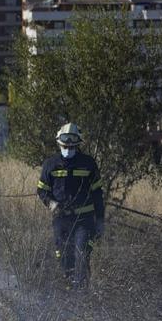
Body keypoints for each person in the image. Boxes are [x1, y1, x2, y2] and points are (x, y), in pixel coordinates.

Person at [38, 123, 105, 289]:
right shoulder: (50, 164)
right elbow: (42, 190)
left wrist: (100, 220)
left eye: (72, 144)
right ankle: (68, 286)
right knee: (63, 255)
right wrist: (51, 203)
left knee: (81, 254)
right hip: (61, 219)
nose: (68, 147)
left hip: (84, 220)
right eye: (65, 144)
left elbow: (97, 194)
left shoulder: (88, 163)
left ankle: (81, 293)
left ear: (78, 144)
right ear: (59, 143)